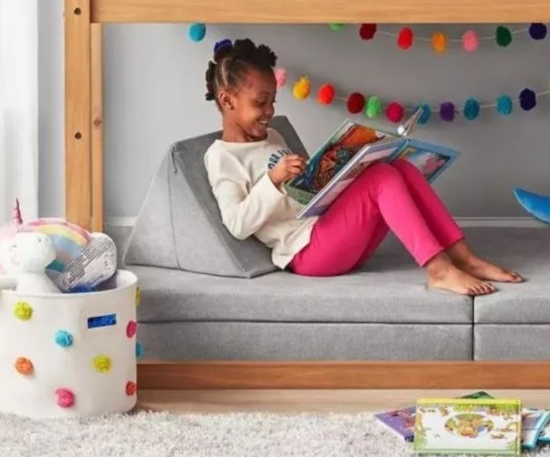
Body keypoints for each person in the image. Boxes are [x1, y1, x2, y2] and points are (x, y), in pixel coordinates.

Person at [202, 38, 522, 296]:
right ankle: (438, 270)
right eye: (261, 102)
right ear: (228, 101)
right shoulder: (221, 157)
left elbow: (302, 195)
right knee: (382, 177)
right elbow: (236, 223)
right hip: (308, 254)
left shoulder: (272, 135)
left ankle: (464, 258)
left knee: (400, 168)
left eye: (273, 101)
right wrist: (272, 180)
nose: (269, 110)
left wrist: (335, 171)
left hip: (328, 231)